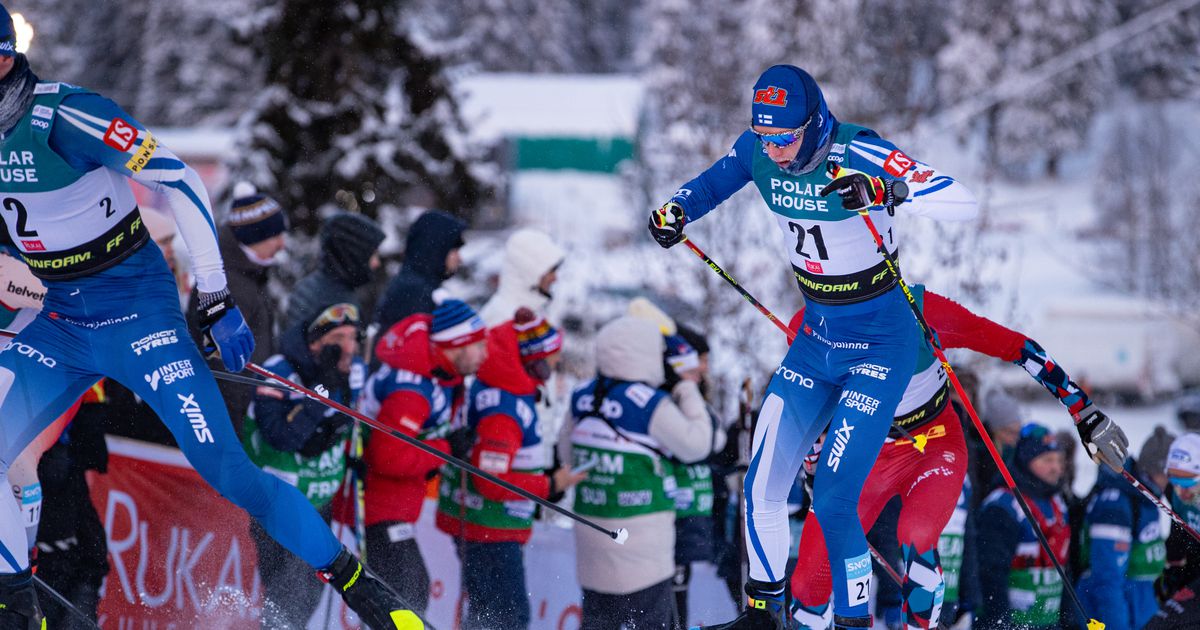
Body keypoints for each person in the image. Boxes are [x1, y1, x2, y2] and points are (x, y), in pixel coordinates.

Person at [0, 7, 417, 626]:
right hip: (59, 322)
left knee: (228, 472)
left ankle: (365, 590)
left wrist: (215, 294)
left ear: (9, 56)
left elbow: (180, 177)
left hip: (138, 319)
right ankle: (16, 603)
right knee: (5, 451)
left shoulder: (64, 114)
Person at [648, 64, 978, 629]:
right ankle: (761, 615)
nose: (775, 152)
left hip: (880, 343)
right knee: (761, 486)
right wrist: (676, 211)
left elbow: (960, 200)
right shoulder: (756, 150)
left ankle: (855, 622)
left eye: (787, 138)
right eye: (767, 138)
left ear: (816, 121)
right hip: (818, 341)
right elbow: (706, 185)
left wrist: (885, 190)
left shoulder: (859, 150)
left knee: (832, 497)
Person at [787, 286, 1128, 629]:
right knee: (807, 585)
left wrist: (1083, 410)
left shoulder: (923, 310)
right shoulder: (810, 326)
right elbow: (813, 405)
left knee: (916, 534)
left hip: (933, 446)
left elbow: (1017, 347)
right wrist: (815, 463)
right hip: (866, 452)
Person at [559, 315, 716, 630]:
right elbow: (698, 445)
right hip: (644, 546)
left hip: (592, 537)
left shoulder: (582, 396)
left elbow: (566, 454)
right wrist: (686, 388)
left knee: (599, 621)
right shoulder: (647, 402)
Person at [435, 308, 586, 629]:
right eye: (553, 358)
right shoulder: (505, 408)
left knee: (492, 615)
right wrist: (549, 485)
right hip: (489, 530)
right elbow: (490, 482)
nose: (557, 365)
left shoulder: (506, 388)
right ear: (535, 361)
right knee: (507, 619)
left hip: (488, 527)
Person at [362, 298, 488, 614]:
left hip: (399, 505)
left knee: (409, 594)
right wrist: (447, 449)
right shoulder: (412, 390)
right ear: (457, 344)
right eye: (478, 346)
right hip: (377, 506)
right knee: (408, 595)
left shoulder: (440, 375)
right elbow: (387, 457)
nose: (485, 355)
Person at [245, 303, 364, 629]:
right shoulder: (280, 369)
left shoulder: (352, 372)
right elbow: (280, 436)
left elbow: (345, 423)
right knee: (290, 595)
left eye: (354, 338)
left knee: (305, 590)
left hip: (319, 502)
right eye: (339, 338)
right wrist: (319, 393)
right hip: (277, 500)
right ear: (316, 343)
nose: (348, 348)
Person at [187, 184, 288, 436]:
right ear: (255, 237)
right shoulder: (229, 284)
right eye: (275, 235)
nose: (282, 244)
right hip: (232, 415)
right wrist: (239, 425)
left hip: (244, 405)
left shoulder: (248, 273)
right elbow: (220, 364)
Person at [1076, 426, 1172, 630]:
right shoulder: (1117, 504)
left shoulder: (1147, 496)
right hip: (1111, 615)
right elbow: (1106, 579)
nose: (1171, 484)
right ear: (1155, 470)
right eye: (1169, 476)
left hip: (1141, 610)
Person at [977, 424, 1070, 629]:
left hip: (1049, 622)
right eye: (1047, 460)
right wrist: (999, 624)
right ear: (1027, 461)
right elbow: (990, 576)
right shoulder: (1003, 506)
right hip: (1013, 623)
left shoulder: (1058, 503)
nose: (1056, 468)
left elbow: (1066, 571)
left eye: (1059, 460)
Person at [285, 212, 384, 331]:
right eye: (373, 254)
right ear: (354, 254)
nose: (376, 263)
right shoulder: (329, 299)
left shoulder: (340, 290)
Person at [375, 210, 466, 333]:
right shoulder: (415, 292)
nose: (460, 258)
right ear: (437, 250)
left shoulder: (418, 286)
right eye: (454, 250)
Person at [477, 228, 565, 327]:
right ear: (530, 273)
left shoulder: (531, 311)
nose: (555, 279)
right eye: (551, 271)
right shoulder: (501, 318)